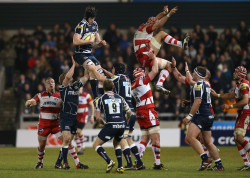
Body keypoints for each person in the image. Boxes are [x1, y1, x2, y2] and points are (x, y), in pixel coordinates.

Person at [133, 5, 189, 95]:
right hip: (146, 53)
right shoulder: (147, 28)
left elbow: (156, 19)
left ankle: (159, 84)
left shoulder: (145, 27)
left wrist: (163, 13)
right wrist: (169, 14)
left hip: (144, 59)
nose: (155, 26)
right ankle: (181, 44)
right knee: (162, 34)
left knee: (169, 65)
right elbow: (159, 24)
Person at [183, 66, 224, 171]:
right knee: (208, 142)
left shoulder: (198, 85)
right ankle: (219, 166)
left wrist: (189, 116)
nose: (192, 74)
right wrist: (189, 102)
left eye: (194, 72)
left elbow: (198, 101)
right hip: (208, 115)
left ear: (197, 74)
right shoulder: (205, 84)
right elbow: (203, 99)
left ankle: (205, 159)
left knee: (190, 137)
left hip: (201, 115)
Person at [172, 58, 214, 160]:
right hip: (203, 111)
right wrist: (173, 68)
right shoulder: (200, 83)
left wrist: (186, 70)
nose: (193, 74)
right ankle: (213, 159)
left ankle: (208, 157)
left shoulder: (202, 83)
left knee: (197, 138)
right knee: (203, 140)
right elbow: (180, 77)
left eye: (195, 72)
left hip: (203, 112)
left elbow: (187, 79)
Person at [211, 66, 250, 171]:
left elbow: (245, 101)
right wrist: (217, 95)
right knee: (236, 139)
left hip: (246, 112)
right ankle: (247, 164)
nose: (234, 73)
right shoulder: (239, 85)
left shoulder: (243, 85)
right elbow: (231, 95)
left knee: (239, 138)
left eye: (235, 72)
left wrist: (230, 106)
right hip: (242, 113)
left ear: (240, 74)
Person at [131, 52, 165, 170]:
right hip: (148, 110)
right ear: (140, 76)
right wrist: (154, 57)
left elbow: (146, 75)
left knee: (145, 138)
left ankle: (138, 161)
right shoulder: (142, 81)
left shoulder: (134, 84)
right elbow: (155, 71)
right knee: (156, 137)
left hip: (140, 111)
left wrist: (145, 64)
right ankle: (157, 163)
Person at [55, 57, 89, 170]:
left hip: (74, 117)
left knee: (69, 142)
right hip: (65, 116)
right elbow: (68, 76)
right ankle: (65, 163)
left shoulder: (75, 86)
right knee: (67, 140)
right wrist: (74, 64)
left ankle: (69, 163)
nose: (70, 77)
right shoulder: (63, 88)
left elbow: (86, 77)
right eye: (68, 77)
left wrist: (86, 65)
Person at [93, 80, 132, 173]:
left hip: (111, 124)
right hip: (121, 124)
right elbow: (129, 112)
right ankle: (120, 167)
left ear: (103, 88)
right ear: (113, 88)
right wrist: (127, 119)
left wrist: (102, 122)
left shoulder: (101, 99)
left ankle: (109, 161)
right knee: (117, 143)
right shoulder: (120, 97)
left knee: (96, 145)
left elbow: (97, 117)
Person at [25, 77, 62, 169]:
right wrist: (29, 102)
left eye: (53, 82)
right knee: (41, 146)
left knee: (66, 141)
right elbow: (30, 101)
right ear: (45, 85)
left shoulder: (60, 95)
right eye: (49, 82)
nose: (51, 84)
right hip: (43, 125)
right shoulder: (40, 95)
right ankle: (40, 162)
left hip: (56, 125)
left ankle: (61, 162)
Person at [73, 6, 106, 99]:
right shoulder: (81, 25)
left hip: (89, 54)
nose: (93, 19)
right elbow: (75, 41)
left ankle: (77, 85)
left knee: (99, 72)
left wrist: (101, 43)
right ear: (87, 17)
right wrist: (89, 41)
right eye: (91, 18)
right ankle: (96, 96)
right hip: (79, 54)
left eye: (94, 18)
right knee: (92, 68)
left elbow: (96, 42)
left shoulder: (95, 24)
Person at [75, 87, 95, 155]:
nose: (78, 90)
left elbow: (92, 105)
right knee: (75, 133)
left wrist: (92, 116)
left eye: (79, 88)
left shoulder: (87, 95)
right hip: (75, 116)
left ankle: (82, 146)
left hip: (83, 116)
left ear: (82, 88)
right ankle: (79, 149)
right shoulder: (74, 96)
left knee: (78, 131)